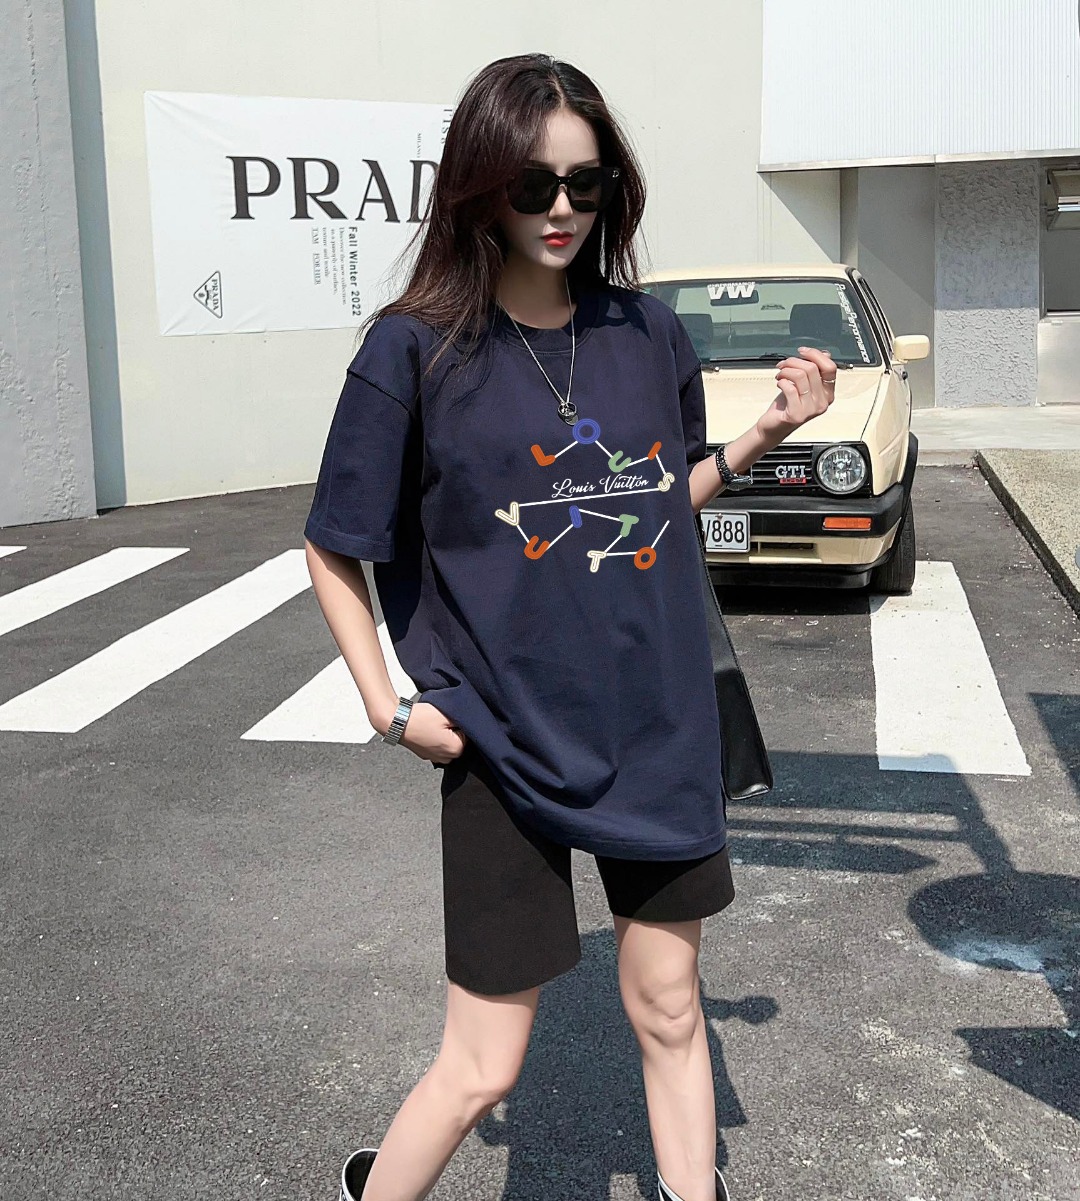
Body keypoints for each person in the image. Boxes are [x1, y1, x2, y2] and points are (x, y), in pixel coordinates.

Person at [304, 53, 834, 1201]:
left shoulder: (648, 333)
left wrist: (763, 436)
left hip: (655, 724)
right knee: (484, 1064)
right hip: (501, 736)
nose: (560, 209)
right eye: (533, 185)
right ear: (479, 187)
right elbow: (333, 543)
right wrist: (390, 709)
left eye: (585, 185)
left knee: (670, 1008)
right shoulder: (414, 350)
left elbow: (652, 495)